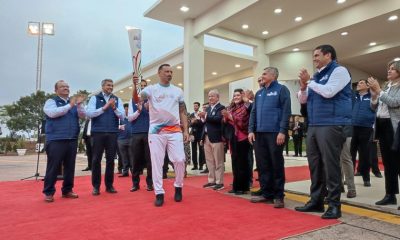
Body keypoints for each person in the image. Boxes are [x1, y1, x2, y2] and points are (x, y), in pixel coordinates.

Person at [295, 44, 352, 219]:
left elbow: (329, 92)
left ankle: (334, 205)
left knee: (331, 165)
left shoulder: (339, 71)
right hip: (314, 124)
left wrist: (310, 82)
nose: (314, 59)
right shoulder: (317, 76)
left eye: (317, 55)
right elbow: (304, 100)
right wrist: (304, 88)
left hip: (332, 123)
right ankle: (316, 200)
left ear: (328, 55)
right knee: (315, 164)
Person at [140, 63, 189, 207]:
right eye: (166, 71)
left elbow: (182, 111)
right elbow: (138, 99)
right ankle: (159, 193)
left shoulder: (178, 91)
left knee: (179, 159)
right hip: (156, 132)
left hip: (174, 130)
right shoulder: (151, 89)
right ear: (159, 73)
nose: (169, 74)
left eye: (171, 72)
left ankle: (178, 186)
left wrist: (186, 130)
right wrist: (136, 85)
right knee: (157, 163)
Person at [248, 67, 291, 208]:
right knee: (263, 165)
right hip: (259, 134)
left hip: (275, 133)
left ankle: (279, 196)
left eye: (265, 73)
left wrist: (282, 131)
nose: (262, 76)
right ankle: (267, 193)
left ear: (273, 75)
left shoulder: (281, 90)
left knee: (276, 164)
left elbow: (286, 112)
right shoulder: (259, 93)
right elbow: (253, 113)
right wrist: (251, 130)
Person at [42, 80, 86, 202]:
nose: (66, 88)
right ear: (56, 90)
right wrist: (71, 105)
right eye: (62, 87)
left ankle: (67, 190)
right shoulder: (51, 101)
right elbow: (53, 114)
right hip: (56, 139)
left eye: (67, 86)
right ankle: (49, 192)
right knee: (53, 166)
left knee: (70, 167)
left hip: (72, 139)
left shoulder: (73, 103)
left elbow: (83, 115)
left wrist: (79, 105)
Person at [368, 60, 400, 208]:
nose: (389, 71)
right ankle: (390, 195)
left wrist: (379, 91)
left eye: (392, 69)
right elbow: (374, 107)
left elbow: (395, 102)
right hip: (382, 125)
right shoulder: (387, 86)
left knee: (398, 162)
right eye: (388, 68)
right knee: (388, 163)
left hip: (394, 127)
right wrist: (374, 95)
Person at [86, 79, 125, 196]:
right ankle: (96, 186)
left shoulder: (117, 99)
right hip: (98, 132)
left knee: (111, 160)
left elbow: (123, 116)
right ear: (102, 86)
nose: (110, 87)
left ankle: (109, 185)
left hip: (112, 133)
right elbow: (89, 114)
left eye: (112, 85)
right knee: (96, 159)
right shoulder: (95, 98)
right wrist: (105, 107)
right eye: (108, 85)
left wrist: (114, 108)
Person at [222, 88, 252, 195]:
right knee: (234, 163)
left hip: (243, 138)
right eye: (234, 96)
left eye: (238, 95)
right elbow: (225, 122)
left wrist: (229, 116)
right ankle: (236, 186)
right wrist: (226, 117)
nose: (236, 97)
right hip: (233, 139)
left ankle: (243, 187)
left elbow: (243, 122)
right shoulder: (231, 108)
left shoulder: (246, 107)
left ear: (242, 96)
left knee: (242, 163)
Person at [350, 79, 377, 186]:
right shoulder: (354, 96)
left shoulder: (371, 97)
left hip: (366, 128)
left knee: (365, 154)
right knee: (350, 154)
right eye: (358, 82)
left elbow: (375, 109)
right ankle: (349, 178)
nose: (358, 84)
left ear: (367, 86)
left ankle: (366, 178)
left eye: (361, 83)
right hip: (353, 128)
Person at [128, 80, 153, 192]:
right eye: (140, 86)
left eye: (144, 86)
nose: (142, 88)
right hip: (136, 134)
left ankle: (150, 183)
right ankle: (135, 184)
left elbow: (156, 117)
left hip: (149, 133)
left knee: (150, 160)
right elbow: (129, 118)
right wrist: (138, 111)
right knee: (136, 160)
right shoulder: (132, 100)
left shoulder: (151, 100)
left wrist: (149, 110)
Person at [200, 89, 226, 191]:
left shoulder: (221, 107)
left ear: (217, 97)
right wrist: (203, 117)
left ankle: (219, 182)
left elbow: (218, 119)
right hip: (206, 137)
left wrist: (205, 116)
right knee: (209, 160)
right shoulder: (209, 108)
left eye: (212, 96)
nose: (210, 98)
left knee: (218, 160)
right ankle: (212, 180)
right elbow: (205, 123)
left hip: (216, 137)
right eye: (209, 96)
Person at [117, 103, 132, 177]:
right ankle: (125, 171)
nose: (127, 110)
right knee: (124, 157)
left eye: (128, 109)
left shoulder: (131, 117)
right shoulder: (120, 118)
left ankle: (133, 171)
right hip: (121, 140)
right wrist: (120, 127)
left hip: (131, 139)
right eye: (125, 109)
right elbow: (114, 126)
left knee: (132, 156)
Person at [189, 102, 205, 170]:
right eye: (194, 106)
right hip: (193, 134)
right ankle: (195, 165)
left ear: (198, 106)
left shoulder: (201, 114)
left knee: (201, 150)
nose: (195, 107)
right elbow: (190, 124)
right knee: (193, 150)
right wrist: (192, 122)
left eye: (196, 106)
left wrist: (197, 121)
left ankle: (201, 165)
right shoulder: (191, 114)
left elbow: (203, 123)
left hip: (200, 133)